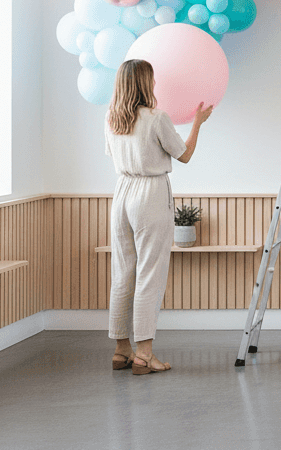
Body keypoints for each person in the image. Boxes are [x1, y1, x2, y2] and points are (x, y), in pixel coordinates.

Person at [104, 59, 213, 375]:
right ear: (144, 83)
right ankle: (145, 354)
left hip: (122, 191)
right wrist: (197, 122)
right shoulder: (156, 118)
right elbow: (185, 155)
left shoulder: (112, 118)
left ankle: (121, 349)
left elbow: (114, 155)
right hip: (150, 194)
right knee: (150, 273)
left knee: (123, 271)